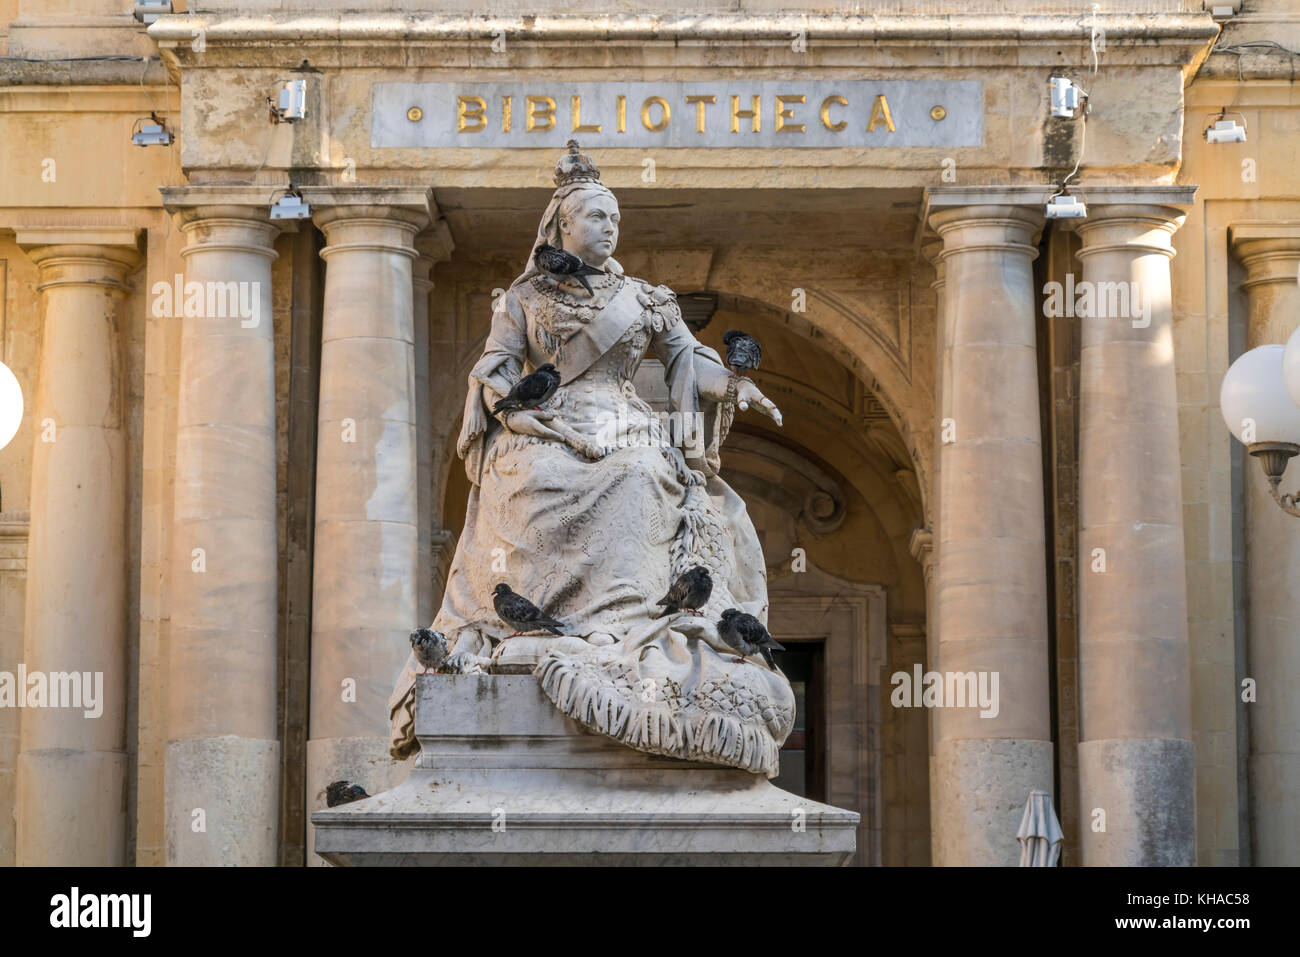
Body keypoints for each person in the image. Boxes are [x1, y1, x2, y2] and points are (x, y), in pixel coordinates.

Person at [389, 142, 794, 774]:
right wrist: (499, 395)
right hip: (548, 423)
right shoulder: (522, 297)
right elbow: (498, 364)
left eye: (615, 220)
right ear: (563, 226)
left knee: (635, 474)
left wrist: (736, 385)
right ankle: (538, 630)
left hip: (624, 421)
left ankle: (624, 628)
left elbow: (689, 356)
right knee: (530, 475)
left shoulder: (646, 297)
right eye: (596, 218)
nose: (610, 228)